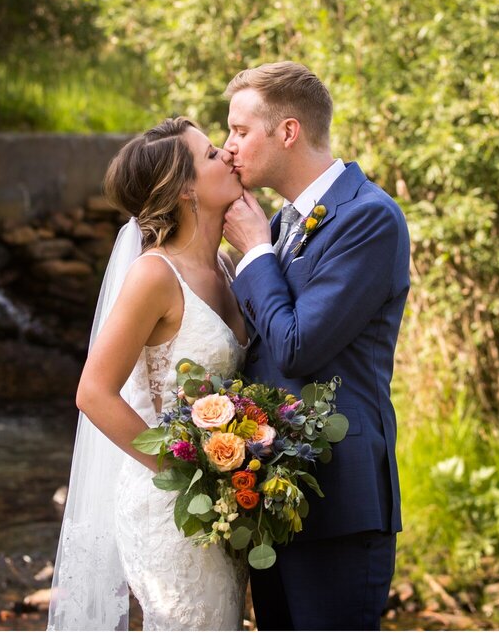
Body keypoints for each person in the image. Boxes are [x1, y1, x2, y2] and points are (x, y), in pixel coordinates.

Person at [221, 61, 409, 630]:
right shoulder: (281, 223)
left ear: (288, 132)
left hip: (339, 503)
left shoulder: (369, 218)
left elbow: (298, 346)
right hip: (272, 499)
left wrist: (254, 254)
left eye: (239, 130)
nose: (228, 147)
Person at [48, 117, 249, 631]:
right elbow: (93, 392)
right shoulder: (154, 274)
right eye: (210, 155)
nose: (227, 154)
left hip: (225, 502)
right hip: (172, 505)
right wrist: (185, 473)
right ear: (185, 190)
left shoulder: (227, 265)